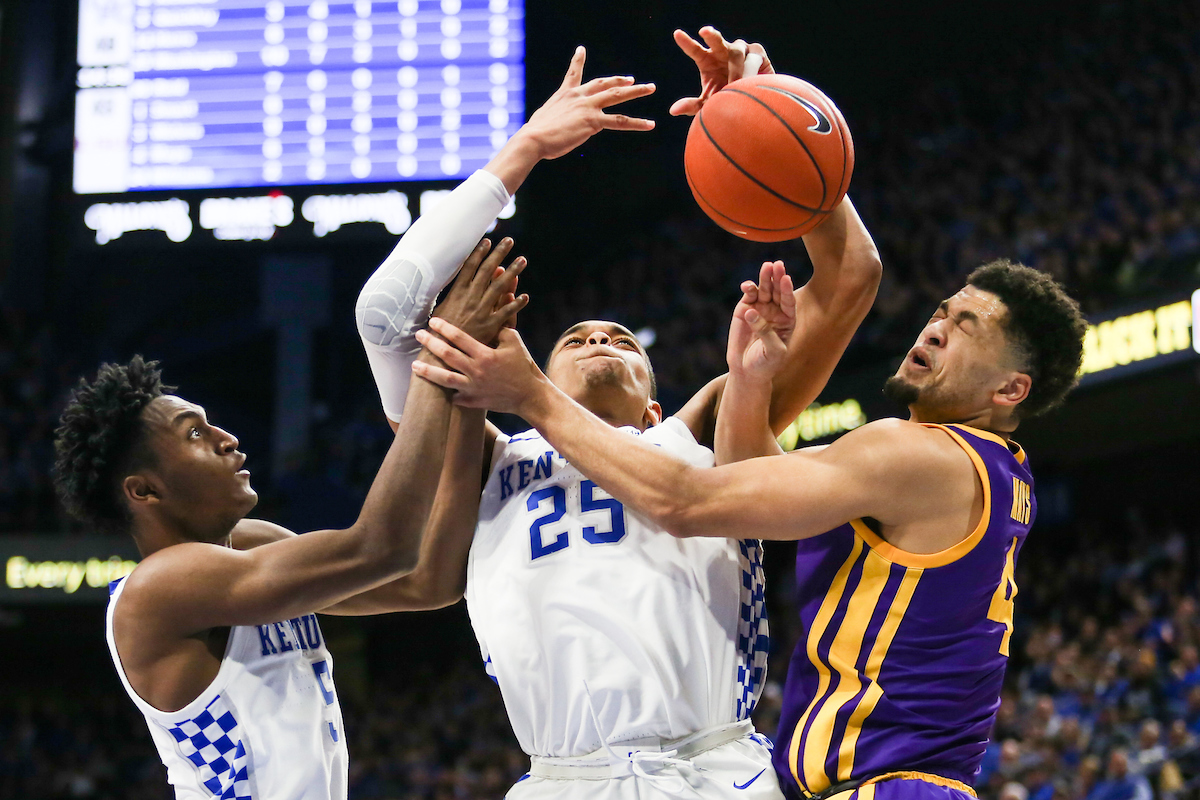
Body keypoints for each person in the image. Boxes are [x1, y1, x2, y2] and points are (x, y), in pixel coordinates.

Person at [354, 30, 882, 799]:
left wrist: (772, 113)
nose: (600, 336)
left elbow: (850, 276)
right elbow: (383, 316)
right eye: (577, 336)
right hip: (563, 780)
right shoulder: (480, 456)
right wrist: (524, 150)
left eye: (622, 339)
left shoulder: (698, 432)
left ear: (655, 402)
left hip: (715, 771)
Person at [413, 259, 1087, 800]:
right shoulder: (954, 463)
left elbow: (688, 501)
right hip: (848, 781)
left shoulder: (920, 455)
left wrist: (530, 393)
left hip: (873, 781)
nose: (936, 327)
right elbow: (753, 480)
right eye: (943, 311)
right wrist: (751, 378)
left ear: (1009, 391)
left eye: (965, 327)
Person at [51, 242, 525, 800]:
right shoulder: (159, 588)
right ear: (144, 490)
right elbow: (381, 547)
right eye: (195, 435)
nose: (228, 439)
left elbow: (428, 582)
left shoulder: (251, 546)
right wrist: (435, 369)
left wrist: (464, 404)